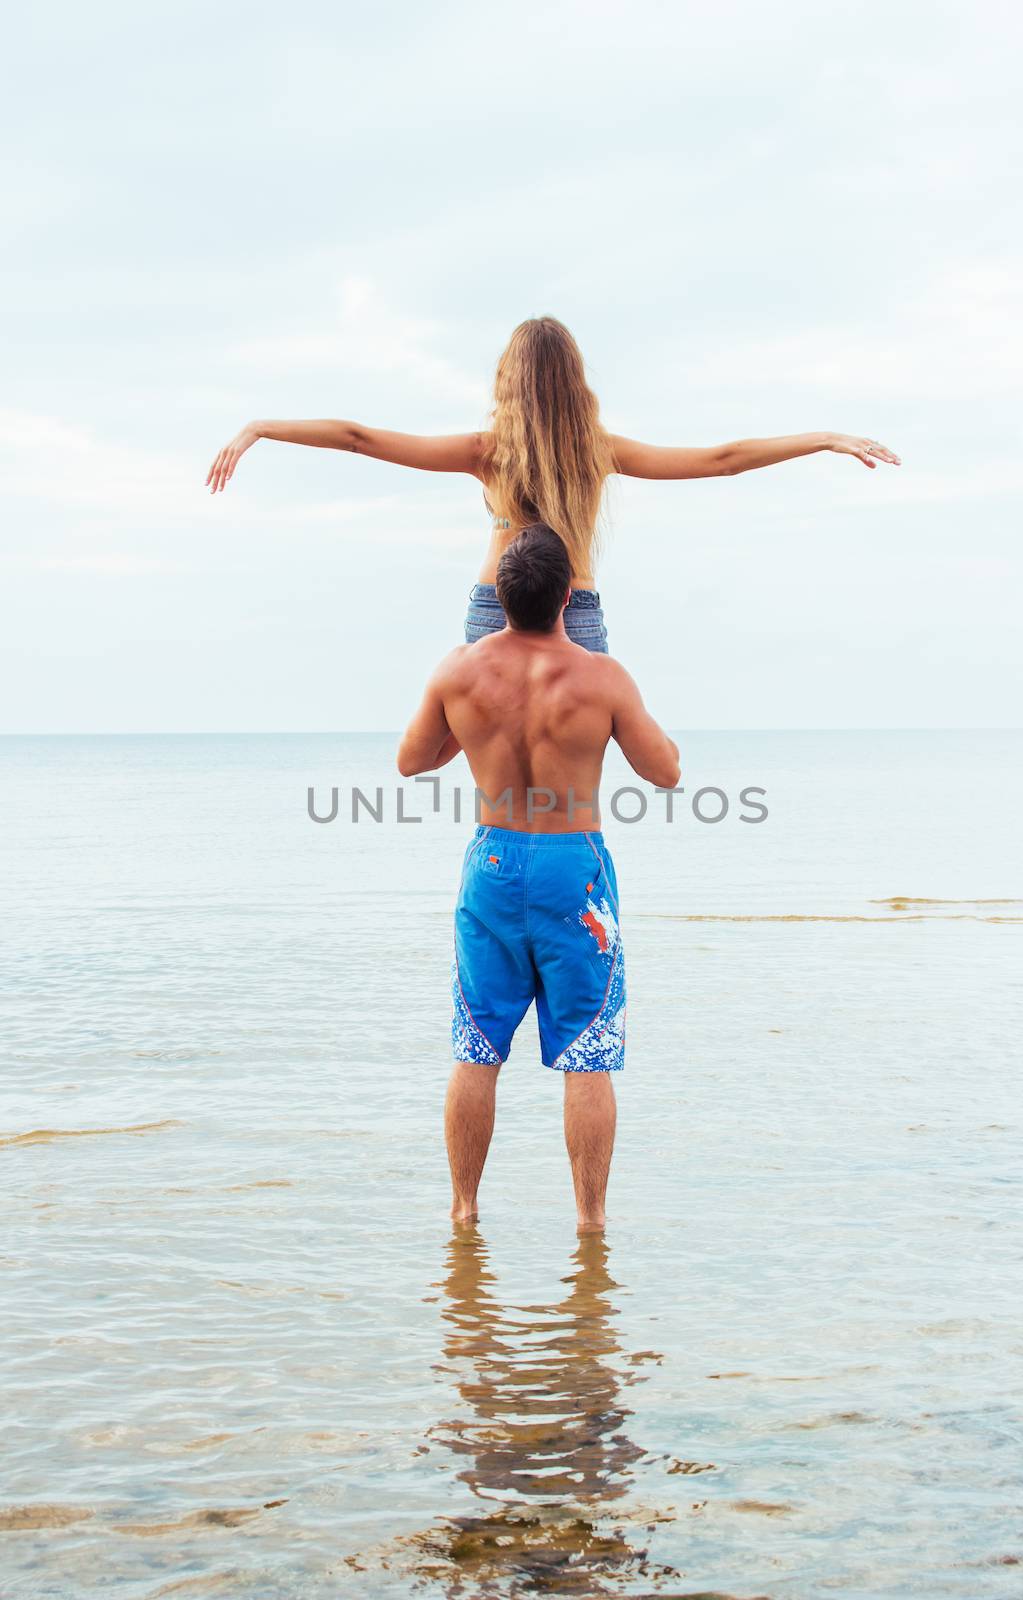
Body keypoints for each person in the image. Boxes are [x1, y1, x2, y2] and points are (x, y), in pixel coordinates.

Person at [205, 315, 900, 653]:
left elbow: (359, 439)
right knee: (573, 771)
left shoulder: (486, 451)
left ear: (507, 380)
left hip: (492, 610)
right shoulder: (597, 452)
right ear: (574, 380)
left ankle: (502, 876)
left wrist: (262, 426)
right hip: (578, 611)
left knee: (499, 768)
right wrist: (822, 438)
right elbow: (722, 458)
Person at [396, 523, 680, 1232]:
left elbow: (411, 761)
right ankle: (590, 1221)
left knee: (476, 1045)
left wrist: (479, 730)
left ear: (498, 594)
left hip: (492, 863)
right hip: (571, 867)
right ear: (566, 599)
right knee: (587, 1054)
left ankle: (463, 1211)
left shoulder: (457, 669)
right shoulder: (601, 677)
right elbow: (664, 771)